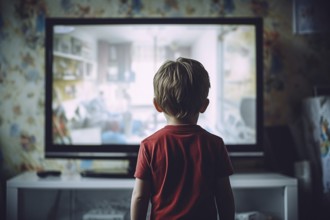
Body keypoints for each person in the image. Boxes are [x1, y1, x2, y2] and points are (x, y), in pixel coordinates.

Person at [130, 57, 235, 220]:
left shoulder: (149, 145)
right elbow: (225, 196)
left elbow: (140, 197)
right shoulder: (215, 144)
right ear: (204, 105)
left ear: (157, 105)